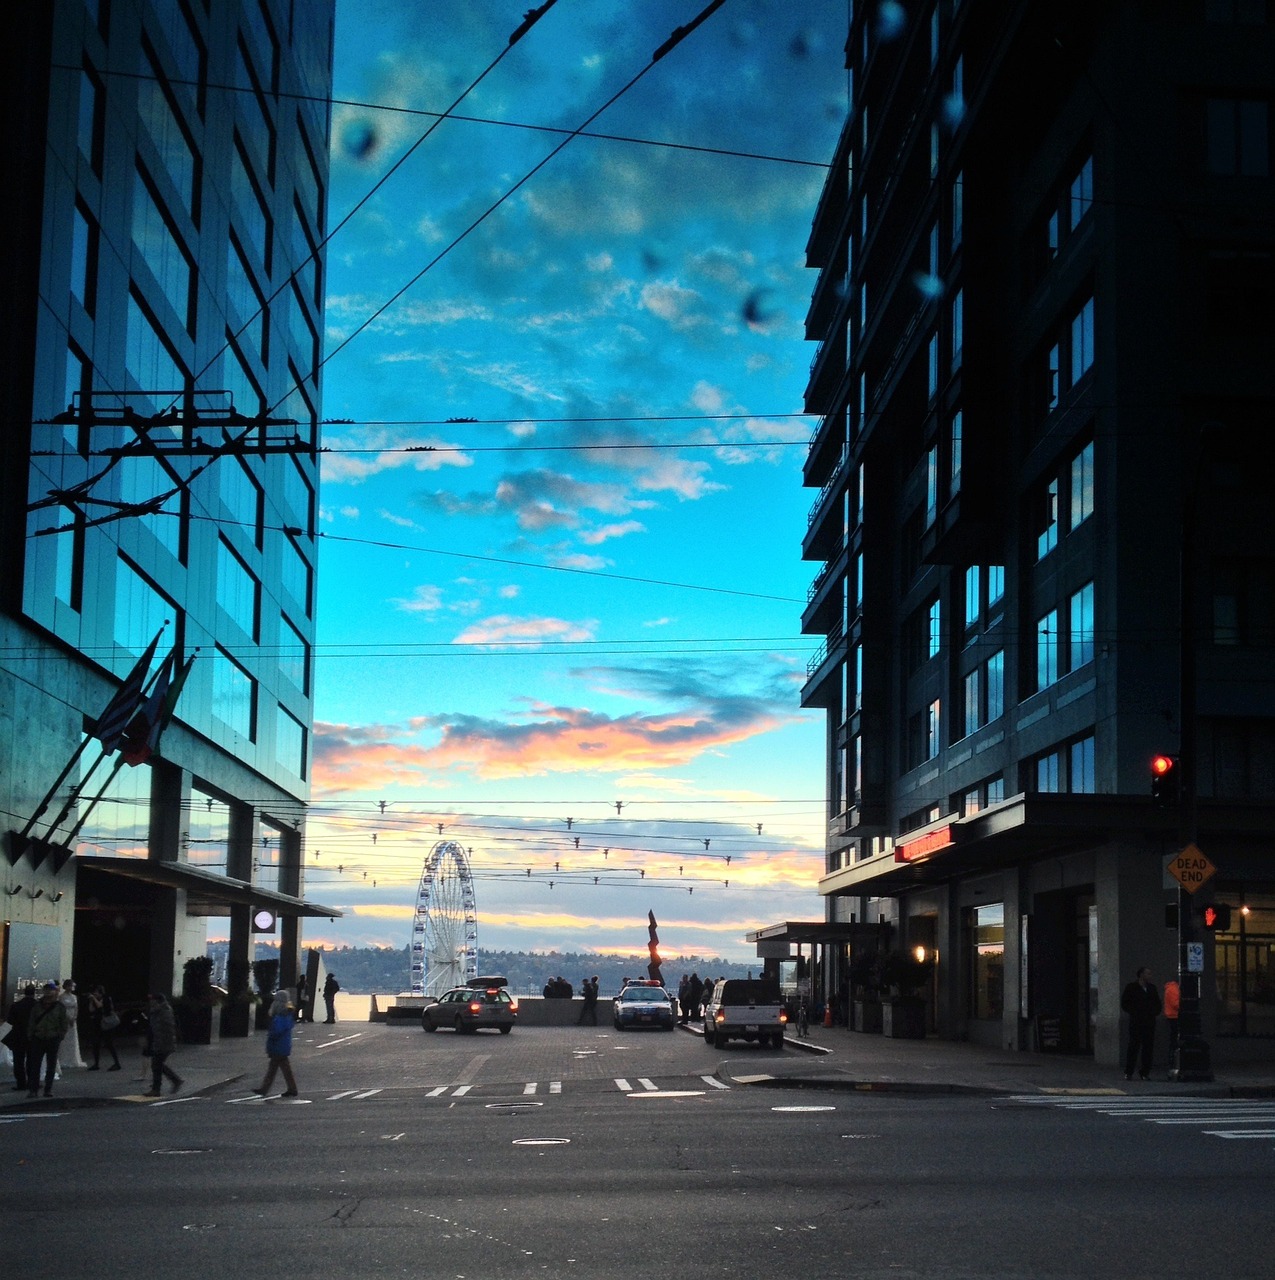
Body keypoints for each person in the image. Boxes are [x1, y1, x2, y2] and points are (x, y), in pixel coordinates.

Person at [26, 981, 70, 1098]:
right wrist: (31, 1035)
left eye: (51, 990)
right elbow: (31, 1021)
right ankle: (33, 1090)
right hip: (38, 1038)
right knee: (35, 1065)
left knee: (51, 1066)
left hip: (53, 1038)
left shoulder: (59, 1007)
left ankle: (48, 1089)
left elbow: (63, 1023)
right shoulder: (37, 1006)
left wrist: (60, 1035)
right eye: (46, 990)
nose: (48, 992)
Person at [254, 990, 299, 1098]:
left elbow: (277, 1030)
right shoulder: (288, 1013)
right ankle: (291, 1088)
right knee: (283, 1068)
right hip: (283, 1045)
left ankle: (265, 1089)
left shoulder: (280, 1015)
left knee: (274, 1068)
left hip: (278, 1045)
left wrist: (271, 1035)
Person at [1121, 966, 1161, 1081]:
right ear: (1141, 975)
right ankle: (1129, 1071)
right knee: (1133, 1046)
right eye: (1148, 974)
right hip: (1136, 1022)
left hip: (1149, 1022)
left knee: (1148, 1048)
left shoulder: (1152, 988)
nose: (1150, 976)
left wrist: (1154, 1012)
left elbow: (1157, 1003)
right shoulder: (1131, 987)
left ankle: (1145, 1072)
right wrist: (1134, 1012)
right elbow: (1125, 1003)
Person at [144, 993, 183, 1096]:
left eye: (152, 1000)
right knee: (157, 1064)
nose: (150, 1002)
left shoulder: (162, 1011)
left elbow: (163, 1029)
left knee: (156, 1064)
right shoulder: (159, 1010)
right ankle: (172, 1081)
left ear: (157, 1001)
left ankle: (158, 1088)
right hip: (161, 1042)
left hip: (163, 1043)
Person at [4, 984, 38, 1092]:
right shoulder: (37, 1006)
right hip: (33, 1036)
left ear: (24, 992)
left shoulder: (16, 1005)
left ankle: (21, 1083)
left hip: (18, 1036)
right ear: (34, 993)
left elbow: (10, 1021)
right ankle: (31, 1082)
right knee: (32, 1061)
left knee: (18, 1061)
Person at [86, 985, 122, 1071]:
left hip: (107, 1024)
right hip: (98, 1024)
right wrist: (91, 1001)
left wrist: (94, 999)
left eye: (96, 993)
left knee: (109, 1044)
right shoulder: (95, 999)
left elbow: (100, 1006)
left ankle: (117, 1063)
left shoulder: (106, 999)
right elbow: (91, 1010)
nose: (95, 995)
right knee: (96, 1044)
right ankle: (96, 1063)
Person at [59, 978, 84, 1070]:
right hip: (66, 1018)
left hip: (73, 1018)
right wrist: (68, 1018)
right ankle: (64, 1058)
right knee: (65, 1039)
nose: (71, 987)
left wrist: (74, 1017)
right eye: (70, 986)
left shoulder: (74, 997)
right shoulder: (61, 997)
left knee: (72, 1038)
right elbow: (62, 1009)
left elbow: (76, 1008)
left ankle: (72, 1058)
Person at [1162, 978, 1181, 1061]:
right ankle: (1173, 1059)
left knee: (1173, 1039)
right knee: (1175, 1039)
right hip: (1174, 1016)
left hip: (1172, 1016)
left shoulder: (1170, 988)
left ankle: (1173, 1059)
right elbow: (1176, 1004)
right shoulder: (1174, 989)